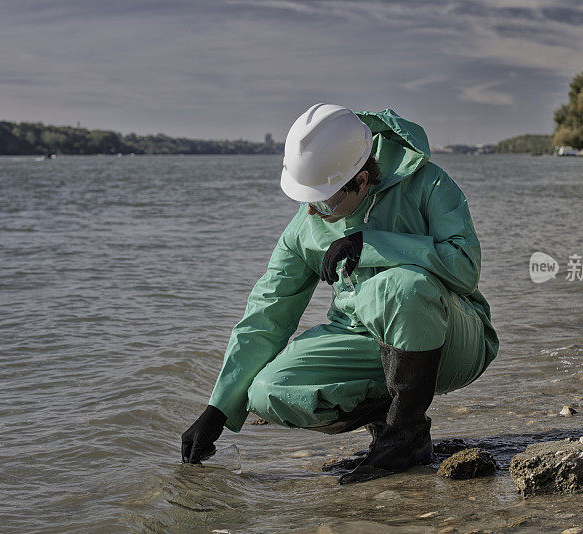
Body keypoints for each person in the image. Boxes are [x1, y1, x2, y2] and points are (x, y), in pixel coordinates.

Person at [181, 103, 499, 484]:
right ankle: (391, 423)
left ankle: (404, 435)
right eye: (306, 199)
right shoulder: (307, 224)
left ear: (363, 180)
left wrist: (375, 243)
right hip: (367, 341)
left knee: (402, 286)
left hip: (455, 340)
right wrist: (218, 408)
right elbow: (267, 314)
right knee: (269, 391)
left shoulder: (429, 183)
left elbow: (465, 269)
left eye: (325, 199)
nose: (314, 212)